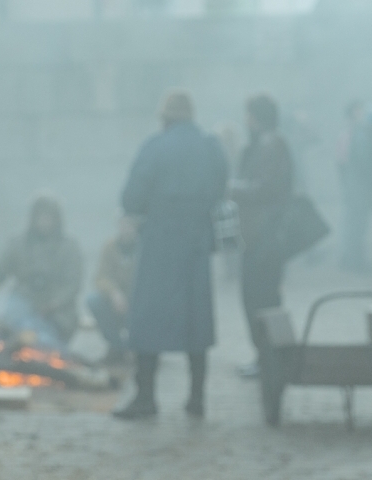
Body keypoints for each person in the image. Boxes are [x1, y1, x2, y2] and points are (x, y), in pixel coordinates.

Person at [114, 91, 228, 419]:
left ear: (164, 118)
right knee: (196, 321)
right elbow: (222, 192)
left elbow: (132, 197)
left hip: (160, 243)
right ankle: (196, 399)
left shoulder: (155, 146)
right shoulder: (211, 147)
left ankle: (146, 398)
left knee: (147, 318)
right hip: (196, 246)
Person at [231, 94, 293, 377]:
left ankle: (270, 360)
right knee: (259, 300)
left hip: (264, 239)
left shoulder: (271, 145)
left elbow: (264, 189)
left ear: (256, 117)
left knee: (261, 301)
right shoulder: (267, 143)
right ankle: (267, 358)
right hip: (260, 237)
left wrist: (231, 188)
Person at [0, 196, 83, 351]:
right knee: (10, 321)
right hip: (24, 304)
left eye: (48, 217)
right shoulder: (18, 244)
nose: (44, 221)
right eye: (41, 216)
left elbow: (73, 284)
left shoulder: (69, 247)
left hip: (58, 312)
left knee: (47, 343)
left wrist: (53, 304)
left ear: (56, 219)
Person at [337, 100, 372, 271]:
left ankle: (351, 259)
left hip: (353, 186)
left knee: (354, 223)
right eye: (360, 111)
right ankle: (356, 263)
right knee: (358, 225)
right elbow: (365, 164)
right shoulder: (359, 134)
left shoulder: (350, 133)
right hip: (359, 187)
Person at [86, 217, 139, 364]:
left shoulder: (144, 248)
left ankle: (140, 350)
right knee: (93, 300)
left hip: (139, 302)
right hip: (115, 301)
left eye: (131, 225)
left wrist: (132, 298)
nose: (127, 229)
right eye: (124, 224)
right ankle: (117, 347)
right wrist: (114, 293)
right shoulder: (110, 247)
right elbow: (100, 277)